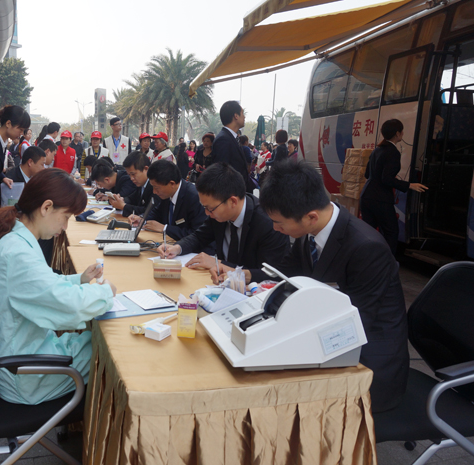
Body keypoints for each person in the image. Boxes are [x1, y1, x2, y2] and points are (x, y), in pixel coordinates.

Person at [250, 160, 409, 413]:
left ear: (311, 217)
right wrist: (247, 275)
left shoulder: (367, 247)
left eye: (279, 223)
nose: (275, 229)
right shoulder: (310, 231)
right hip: (328, 331)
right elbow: (286, 273)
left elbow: (356, 322)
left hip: (367, 360)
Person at [0, 169, 117, 405]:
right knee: (111, 355)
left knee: (95, 341)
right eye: (66, 216)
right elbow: (68, 305)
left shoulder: (15, 239)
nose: (66, 226)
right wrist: (105, 292)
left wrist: (78, 280)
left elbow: (42, 284)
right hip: (25, 375)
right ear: (46, 207)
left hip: (23, 355)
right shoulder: (18, 253)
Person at [159, 162, 288, 281]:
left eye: (210, 209)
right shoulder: (219, 213)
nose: (207, 213)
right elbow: (199, 236)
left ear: (233, 201)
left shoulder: (268, 223)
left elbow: (272, 274)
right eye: (205, 208)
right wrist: (177, 248)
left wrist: (219, 263)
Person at [360, 119, 428, 255]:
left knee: (368, 233)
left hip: (366, 196)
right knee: (391, 232)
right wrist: (410, 185)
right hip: (380, 199)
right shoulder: (393, 152)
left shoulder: (377, 150)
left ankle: (366, 260)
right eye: (402, 131)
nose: (402, 133)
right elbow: (387, 179)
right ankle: (387, 263)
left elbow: (367, 174)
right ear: (397, 133)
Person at [128, 160, 206, 240]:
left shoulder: (194, 197)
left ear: (172, 183)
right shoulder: (167, 194)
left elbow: (197, 234)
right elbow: (157, 212)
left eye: (156, 188)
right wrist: (142, 219)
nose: (154, 192)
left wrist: (165, 228)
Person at [211, 101, 253, 193]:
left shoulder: (232, 137)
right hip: (232, 194)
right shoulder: (223, 139)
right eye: (242, 113)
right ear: (236, 116)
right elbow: (222, 173)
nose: (244, 117)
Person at [108, 151, 154, 217]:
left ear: (146, 169)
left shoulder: (154, 187)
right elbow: (132, 199)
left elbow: (148, 211)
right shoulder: (141, 185)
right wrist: (121, 199)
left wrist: (123, 206)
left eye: (133, 174)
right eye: (129, 175)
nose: (131, 178)